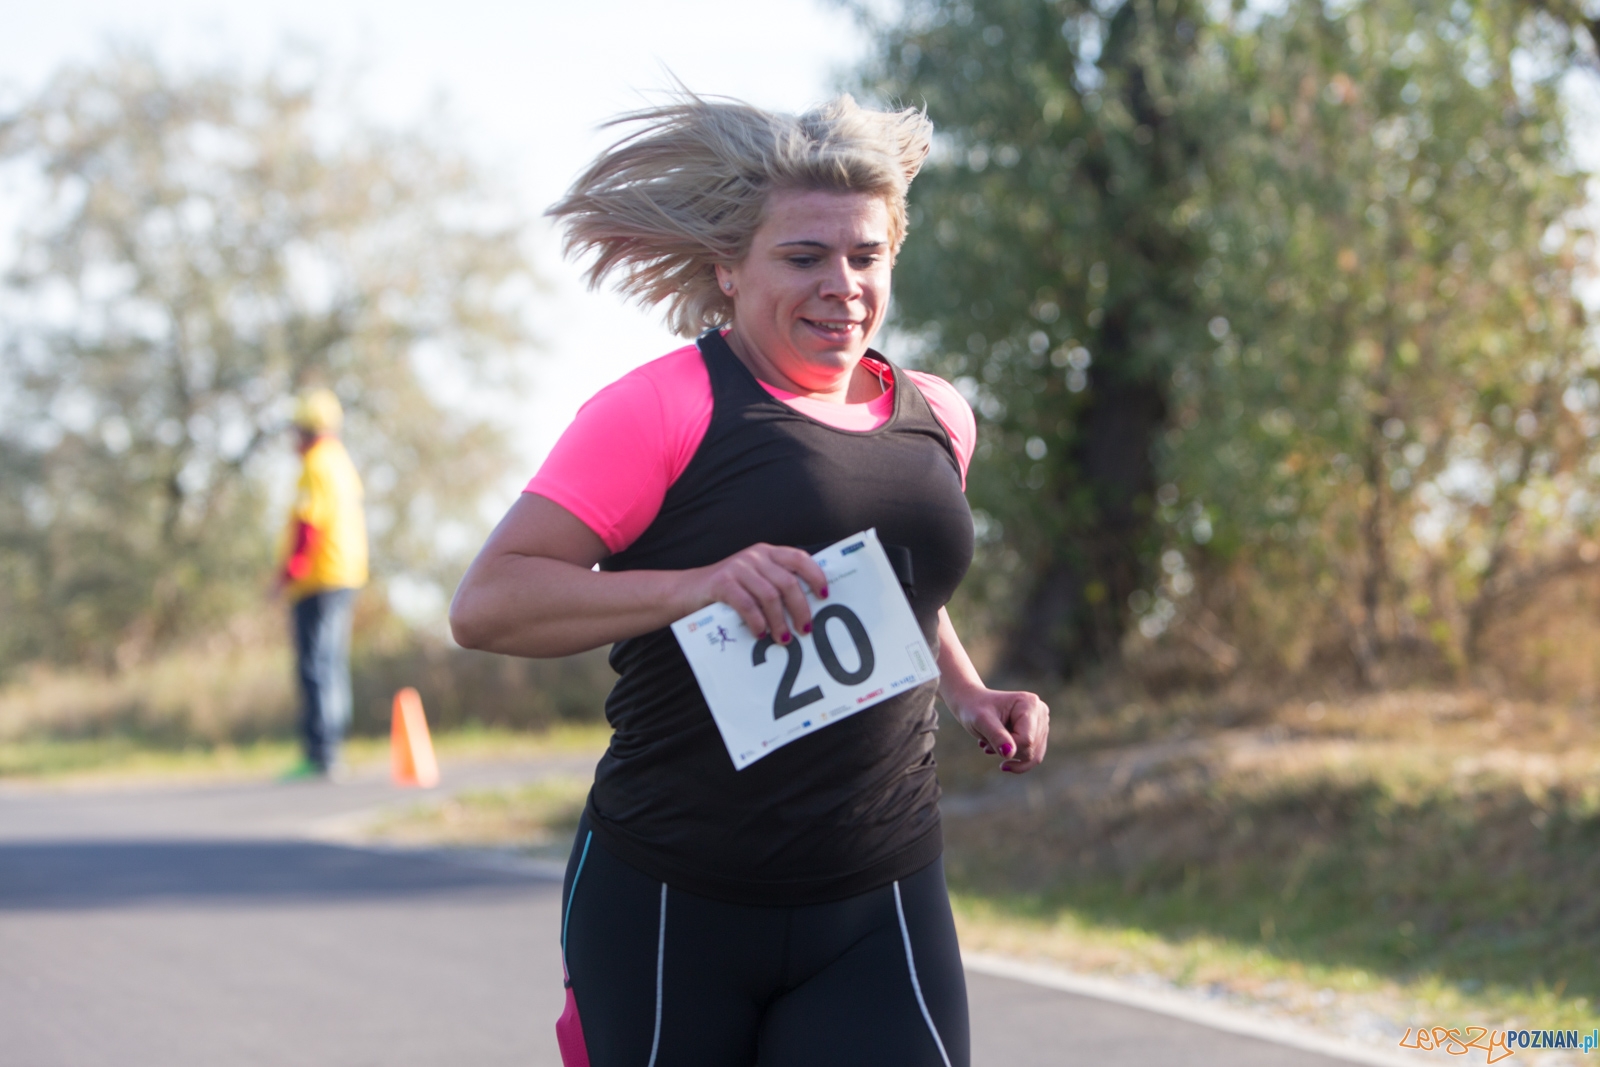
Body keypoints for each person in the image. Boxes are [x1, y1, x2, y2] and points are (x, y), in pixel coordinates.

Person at [450, 95, 1049, 1067]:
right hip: (670, 897)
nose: (841, 286)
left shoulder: (938, 417)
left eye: (866, 256)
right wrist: (698, 585)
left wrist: (966, 685)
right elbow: (487, 604)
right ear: (728, 268)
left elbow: (891, 590)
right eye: (803, 256)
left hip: (879, 891)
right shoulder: (658, 411)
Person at [277, 387, 368, 779]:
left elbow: (308, 524)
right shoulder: (341, 462)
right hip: (346, 575)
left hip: (318, 577)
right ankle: (332, 748)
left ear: (307, 429)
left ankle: (320, 753)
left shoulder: (314, 464)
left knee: (315, 664)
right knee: (331, 663)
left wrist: (289, 572)